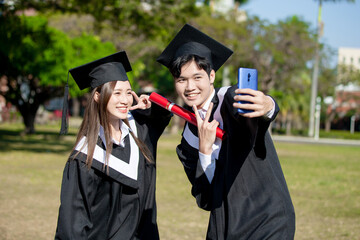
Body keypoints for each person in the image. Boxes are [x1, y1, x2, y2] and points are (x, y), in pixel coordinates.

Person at [157, 24, 295, 239]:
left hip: (266, 218)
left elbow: (258, 110)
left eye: (197, 77)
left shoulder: (230, 100)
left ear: (211, 75)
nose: (190, 87)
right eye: (181, 80)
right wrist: (204, 150)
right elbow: (206, 200)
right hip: (225, 225)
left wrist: (268, 105)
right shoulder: (187, 142)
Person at [55, 51, 171, 239]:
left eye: (128, 92)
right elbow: (72, 222)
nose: (124, 100)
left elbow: (164, 111)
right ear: (97, 96)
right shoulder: (85, 156)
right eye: (116, 93)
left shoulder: (140, 134)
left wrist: (148, 103)